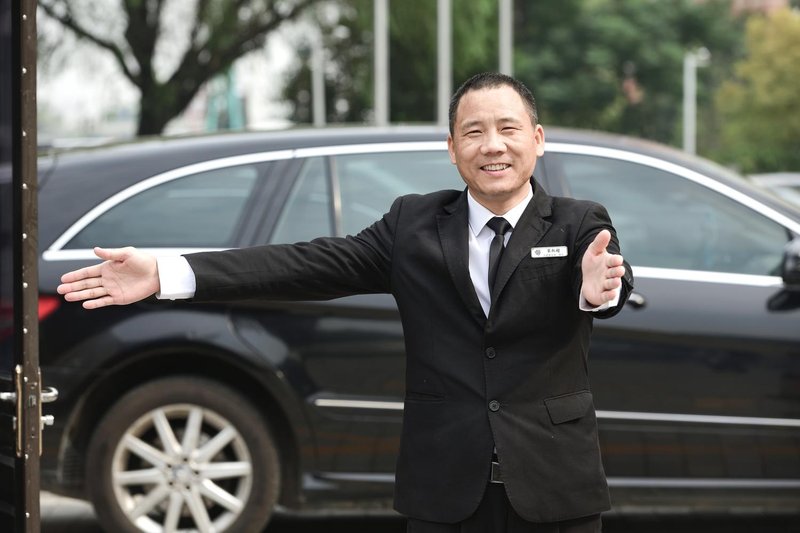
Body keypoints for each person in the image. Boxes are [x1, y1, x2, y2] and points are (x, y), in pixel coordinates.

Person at [58, 72, 633, 533]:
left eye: (508, 128)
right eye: (474, 132)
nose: (493, 146)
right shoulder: (414, 225)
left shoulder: (578, 222)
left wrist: (598, 291)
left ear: (537, 138)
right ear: (452, 148)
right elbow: (307, 263)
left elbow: (608, 278)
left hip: (556, 486)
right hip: (446, 491)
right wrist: (166, 272)